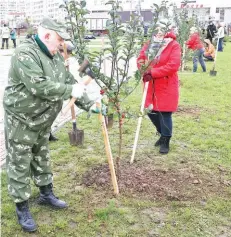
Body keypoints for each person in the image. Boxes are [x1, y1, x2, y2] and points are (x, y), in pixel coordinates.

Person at [3, 17, 89, 232]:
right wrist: (69, 91)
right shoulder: (25, 53)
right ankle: (21, 205)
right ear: (47, 35)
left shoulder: (54, 55)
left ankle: (46, 193)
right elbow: (38, 86)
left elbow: (67, 80)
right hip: (22, 119)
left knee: (42, 156)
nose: (62, 45)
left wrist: (89, 104)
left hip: (43, 119)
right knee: (20, 161)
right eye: (59, 40)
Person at [137, 26, 181, 154]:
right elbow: (140, 58)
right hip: (151, 84)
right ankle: (162, 134)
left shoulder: (174, 45)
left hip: (166, 84)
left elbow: (173, 65)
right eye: (157, 29)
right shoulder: (149, 43)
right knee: (151, 111)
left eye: (162, 29)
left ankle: (166, 140)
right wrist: (143, 70)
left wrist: (153, 72)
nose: (159, 32)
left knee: (165, 113)